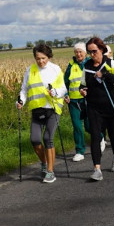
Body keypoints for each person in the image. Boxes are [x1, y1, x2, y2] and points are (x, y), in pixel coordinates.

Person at [18, 43, 68, 183]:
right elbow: (24, 90)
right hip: (37, 109)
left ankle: (50, 172)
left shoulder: (55, 69)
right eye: (38, 58)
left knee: (48, 139)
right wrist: (21, 101)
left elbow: (63, 89)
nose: (40, 61)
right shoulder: (30, 70)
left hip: (53, 108)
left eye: (43, 58)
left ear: (49, 57)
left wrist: (55, 92)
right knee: (34, 139)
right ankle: (44, 163)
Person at [82, 36, 114, 181]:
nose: (91, 55)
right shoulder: (87, 66)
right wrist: (82, 90)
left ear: (101, 49)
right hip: (94, 107)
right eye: (89, 52)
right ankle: (97, 169)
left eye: (94, 51)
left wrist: (105, 74)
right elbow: (82, 85)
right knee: (95, 136)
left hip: (112, 105)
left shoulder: (110, 63)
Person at [64, 43, 89, 162]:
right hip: (73, 101)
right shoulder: (70, 65)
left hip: (87, 100)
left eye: (80, 52)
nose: (78, 54)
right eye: (76, 52)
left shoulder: (90, 63)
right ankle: (80, 150)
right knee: (77, 126)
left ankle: (100, 138)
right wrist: (65, 94)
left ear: (85, 53)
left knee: (89, 125)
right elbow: (65, 82)